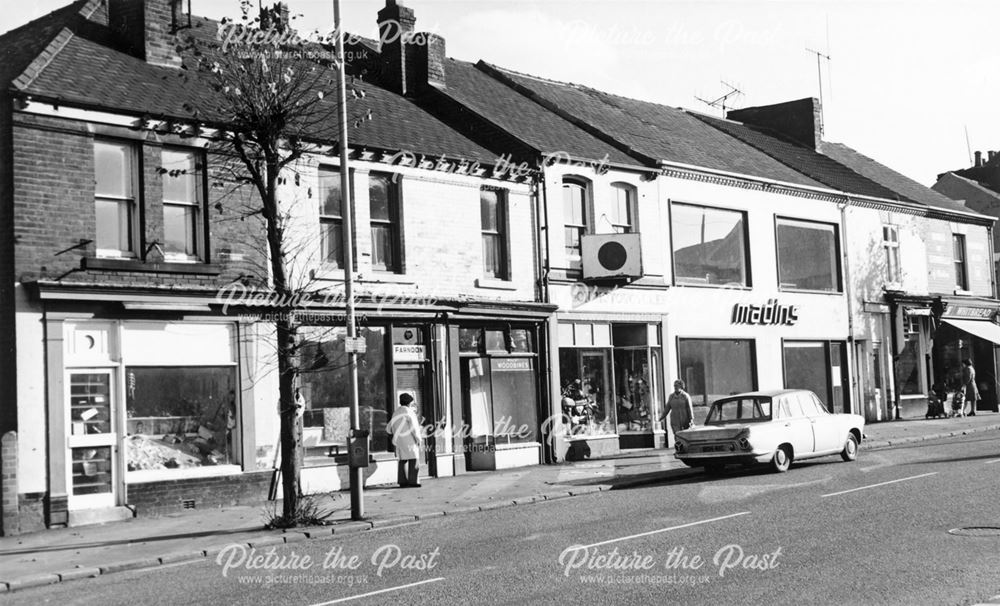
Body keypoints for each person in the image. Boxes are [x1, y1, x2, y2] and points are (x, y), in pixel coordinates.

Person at [387, 392, 422, 487]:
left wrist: (393, 433)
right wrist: (418, 439)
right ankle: (413, 481)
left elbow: (388, 427)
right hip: (410, 439)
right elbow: (414, 428)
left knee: (402, 460)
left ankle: (402, 481)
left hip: (399, 440)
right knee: (414, 459)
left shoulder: (396, 412)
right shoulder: (409, 412)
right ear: (409, 403)